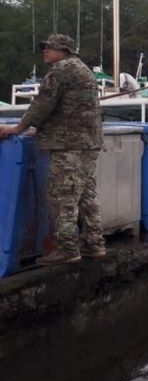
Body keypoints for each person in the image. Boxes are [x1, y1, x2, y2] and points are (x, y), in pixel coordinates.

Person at [0, 34, 107, 265]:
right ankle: (94, 245)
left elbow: (43, 104)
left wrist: (18, 128)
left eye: (50, 47)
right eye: (45, 47)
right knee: (86, 196)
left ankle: (68, 249)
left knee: (63, 196)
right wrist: (41, 129)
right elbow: (70, 108)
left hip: (68, 144)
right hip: (88, 143)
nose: (45, 51)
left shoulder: (61, 70)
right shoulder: (83, 70)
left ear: (65, 51)